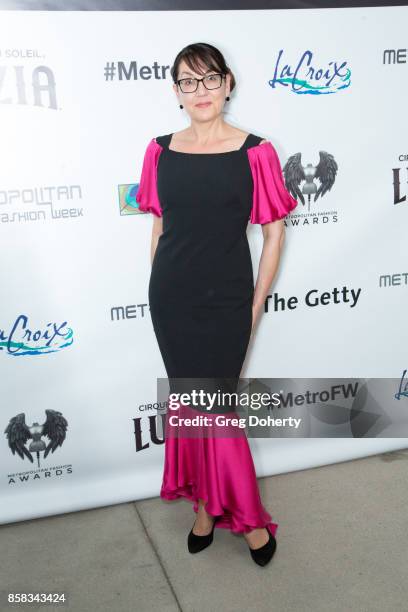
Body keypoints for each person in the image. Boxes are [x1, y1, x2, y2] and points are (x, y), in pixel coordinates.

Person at [136, 42, 297, 567]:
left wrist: (255, 305)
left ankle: (246, 520)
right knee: (190, 406)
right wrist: (156, 286)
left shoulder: (257, 151)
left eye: (210, 80)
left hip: (228, 300)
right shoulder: (160, 150)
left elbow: (274, 236)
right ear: (177, 92)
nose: (200, 91)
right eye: (188, 81)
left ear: (228, 83)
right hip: (173, 300)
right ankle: (204, 508)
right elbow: (160, 226)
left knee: (219, 411)